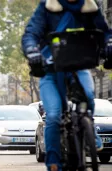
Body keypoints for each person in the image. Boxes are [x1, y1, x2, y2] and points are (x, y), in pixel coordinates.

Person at [21, 0, 112, 170]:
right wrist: (32, 50)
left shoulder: (89, 7)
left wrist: (109, 43)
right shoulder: (47, 7)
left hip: (78, 66)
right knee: (54, 115)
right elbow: (31, 34)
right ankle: (54, 163)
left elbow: (105, 32)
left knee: (88, 97)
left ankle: (89, 128)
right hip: (51, 69)